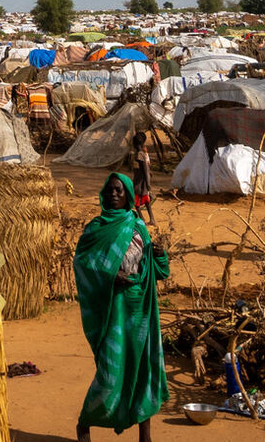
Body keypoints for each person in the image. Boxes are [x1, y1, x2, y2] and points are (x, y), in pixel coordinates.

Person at [74, 172, 169, 442]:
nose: (114, 194)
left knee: (141, 370)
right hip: (112, 310)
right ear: (104, 194)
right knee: (110, 371)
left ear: (128, 195)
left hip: (139, 310)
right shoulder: (95, 229)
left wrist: (160, 255)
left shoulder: (138, 226)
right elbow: (82, 263)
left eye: (120, 190)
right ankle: (85, 424)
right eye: (110, 190)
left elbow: (159, 272)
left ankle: (145, 436)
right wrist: (110, 275)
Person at [130, 132, 156, 226]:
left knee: (137, 203)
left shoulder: (140, 154)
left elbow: (145, 169)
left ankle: (142, 219)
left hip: (140, 182)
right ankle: (151, 219)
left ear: (135, 144)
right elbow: (147, 168)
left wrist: (148, 184)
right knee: (146, 201)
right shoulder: (142, 153)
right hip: (141, 180)